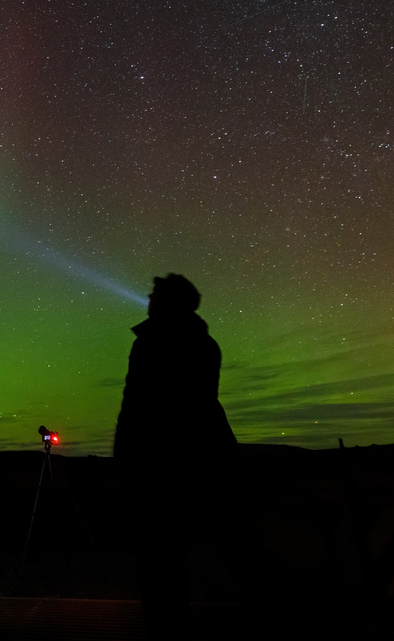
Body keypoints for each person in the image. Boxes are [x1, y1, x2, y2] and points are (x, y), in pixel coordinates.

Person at [114, 273, 238, 637]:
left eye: (154, 296)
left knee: (160, 562)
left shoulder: (155, 342)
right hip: (208, 458)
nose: (148, 301)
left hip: (165, 465)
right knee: (233, 552)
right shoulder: (202, 341)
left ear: (167, 303)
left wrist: (127, 457)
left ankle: (168, 635)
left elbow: (139, 406)